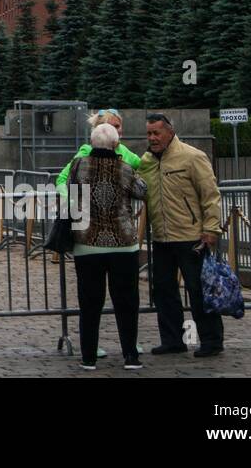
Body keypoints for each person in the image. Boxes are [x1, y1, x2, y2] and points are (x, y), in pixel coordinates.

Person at [140, 113, 224, 358]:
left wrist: (211, 228)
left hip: (191, 236)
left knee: (198, 291)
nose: (152, 138)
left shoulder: (192, 156)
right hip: (162, 238)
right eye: (149, 133)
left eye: (156, 133)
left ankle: (211, 340)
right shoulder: (146, 161)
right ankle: (172, 340)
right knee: (164, 291)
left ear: (169, 131)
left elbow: (210, 195)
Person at [65, 122, 146, 371]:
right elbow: (141, 192)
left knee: (90, 303)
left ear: (92, 144)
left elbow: (69, 187)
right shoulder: (125, 167)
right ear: (115, 144)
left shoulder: (80, 165)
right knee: (126, 301)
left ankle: (88, 357)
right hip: (123, 244)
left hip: (87, 244)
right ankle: (130, 355)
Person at [54, 109, 143, 191]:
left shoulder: (123, 150)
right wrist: (71, 202)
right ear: (99, 130)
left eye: (117, 126)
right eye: (110, 126)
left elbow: (144, 166)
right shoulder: (87, 150)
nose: (115, 130)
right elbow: (62, 179)